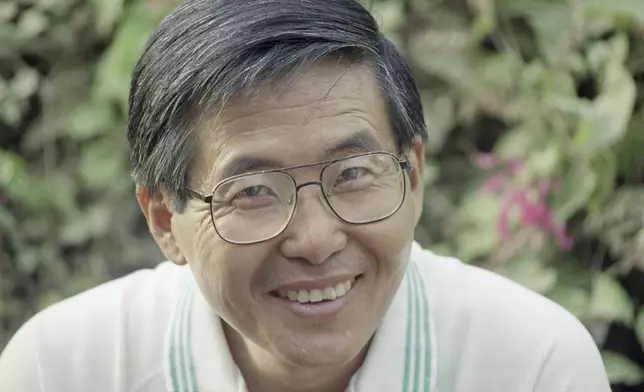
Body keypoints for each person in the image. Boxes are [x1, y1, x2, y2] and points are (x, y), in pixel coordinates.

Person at [0, 0, 611, 391]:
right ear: (164, 219)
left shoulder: (532, 365)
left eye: (352, 174)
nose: (317, 242)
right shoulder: (64, 370)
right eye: (254, 191)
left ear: (413, 176)